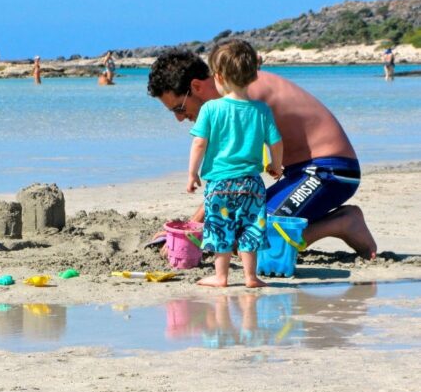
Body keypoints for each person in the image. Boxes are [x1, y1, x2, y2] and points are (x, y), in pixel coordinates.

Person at [147, 40, 377, 260]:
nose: (179, 118)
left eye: (179, 108)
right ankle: (338, 221)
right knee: (239, 229)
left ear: (196, 86)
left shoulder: (243, 100)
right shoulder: (235, 89)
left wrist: (193, 227)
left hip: (330, 171)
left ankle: (342, 223)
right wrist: (195, 226)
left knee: (253, 242)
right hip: (302, 174)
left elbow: (232, 179)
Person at [186, 40, 283, 287]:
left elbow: (199, 144)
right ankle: (251, 277)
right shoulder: (261, 110)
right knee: (251, 227)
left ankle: (221, 276)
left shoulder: (210, 108)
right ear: (252, 75)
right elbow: (276, 142)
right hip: (251, 183)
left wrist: (192, 174)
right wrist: (276, 165)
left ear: (218, 77)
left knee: (220, 227)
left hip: (220, 183)